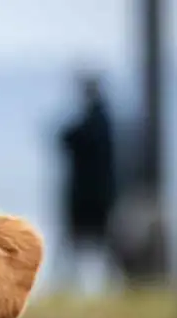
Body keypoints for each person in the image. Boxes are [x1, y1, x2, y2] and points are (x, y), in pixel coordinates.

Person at [56, 73, 120, 294]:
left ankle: (70, 283)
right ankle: (73, 283)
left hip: (88, 196)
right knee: (100, 242)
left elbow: (68, 138)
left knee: (86, 241)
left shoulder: (96, 122)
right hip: (99, 195)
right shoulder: (102, 120)